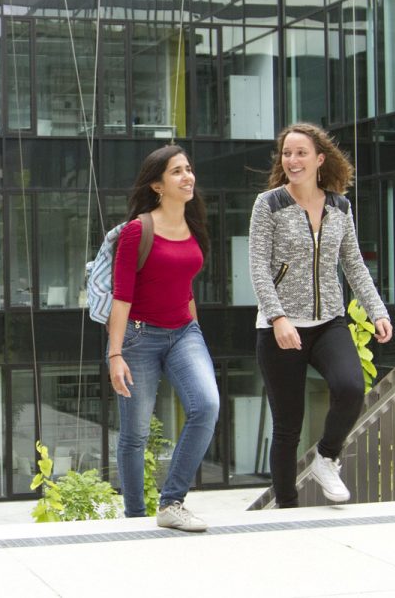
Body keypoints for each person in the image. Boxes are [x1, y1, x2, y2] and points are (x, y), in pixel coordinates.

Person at [249, 123, 393, 508]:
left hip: (329, 320)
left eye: (300, 153)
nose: (292, 160)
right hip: (280, 327)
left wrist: (376, 310)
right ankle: (287, 508)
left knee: (350, 387)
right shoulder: (270, 204)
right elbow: (258, 267)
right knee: (287, 427)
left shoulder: (339, 207)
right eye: (286, 153)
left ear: (319, 159)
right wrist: (277, 318)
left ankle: (327, 458)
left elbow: (353, 264)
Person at [106, 144, 219, 532]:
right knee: (135, 433)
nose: (187, 176)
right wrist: (115, 354)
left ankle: (172, 502)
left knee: (206, 405)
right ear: (157, 185)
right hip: (139, 337)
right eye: (176, 172)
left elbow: (185, 285)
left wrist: (195, 330)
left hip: (184, 332)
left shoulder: (194, 224)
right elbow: (122, 297)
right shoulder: (138, 229)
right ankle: (136, 516)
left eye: (188, 169)